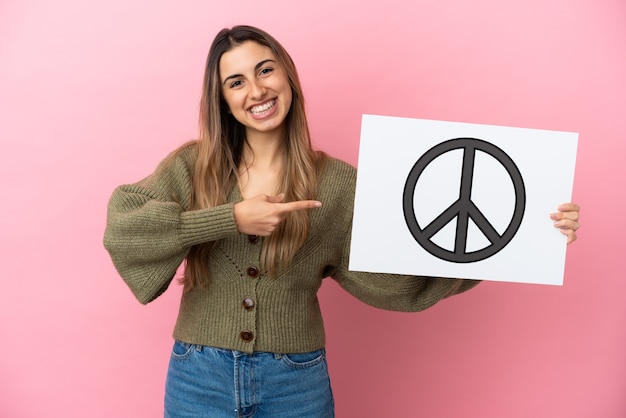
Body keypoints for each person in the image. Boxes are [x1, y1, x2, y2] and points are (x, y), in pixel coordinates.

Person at [103, 25, 581, 418]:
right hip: (197, 374)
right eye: (237, 82)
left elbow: (397, 279)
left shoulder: (337, 184)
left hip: (295, 381)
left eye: (266, 70)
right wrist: (230, 217)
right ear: (223, 100)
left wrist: (523, 237)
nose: (257, 90)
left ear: (287, 76)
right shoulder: (193, 166)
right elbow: (125, 227)